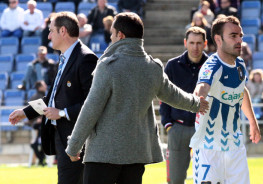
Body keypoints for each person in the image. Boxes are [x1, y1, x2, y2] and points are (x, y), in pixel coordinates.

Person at [65, 12, 209, 184]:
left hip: (103, 154)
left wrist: (74, 144)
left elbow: (91, 108)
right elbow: (173, 95)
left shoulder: (108, 66)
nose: (111, 37)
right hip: (136, 154)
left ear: (120, 35)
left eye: (112, 33)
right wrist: (196, 104)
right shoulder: (152, 67)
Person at [9, 12, 98, 184]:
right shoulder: (64, 58)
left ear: (63, 31)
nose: (48, 36)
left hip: (77, 140)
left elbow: (93, 102)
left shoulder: (86, 58)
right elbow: (51, 98)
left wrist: (63, 113)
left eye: (51, 31)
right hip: (61, 137)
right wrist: (26, 113)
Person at [190, 16, 261, 184]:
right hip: (209, 148)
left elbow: (241, 90)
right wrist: (197, 98)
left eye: (240, 36)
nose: (239, 41)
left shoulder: (240, 65)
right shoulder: (211, 66)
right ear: (218, 39)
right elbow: (202, 86)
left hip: (235, 146)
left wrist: (252, 121)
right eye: (233, 36)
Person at [159, 26, 208, 184]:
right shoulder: (172, 65)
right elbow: (163, 96)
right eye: (192, 42)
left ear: (205, 43)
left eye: (199, 43)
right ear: (185, 43)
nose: (195, 47)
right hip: (178, 128)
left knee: (208, 179)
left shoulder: (212, 65)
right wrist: (168, 125)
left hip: (204, 128)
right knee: (176, 179)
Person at [29, 80, 48, 166]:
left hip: (43, 125)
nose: (46, 86)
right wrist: (38, 119)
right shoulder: (36, 97)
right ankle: (41, 159)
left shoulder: (40, 96)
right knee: (37, 143)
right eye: (44, 85)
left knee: (41, 143)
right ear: (40, 87)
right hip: (38, 126)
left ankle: (41, 160)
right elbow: (32, 112)